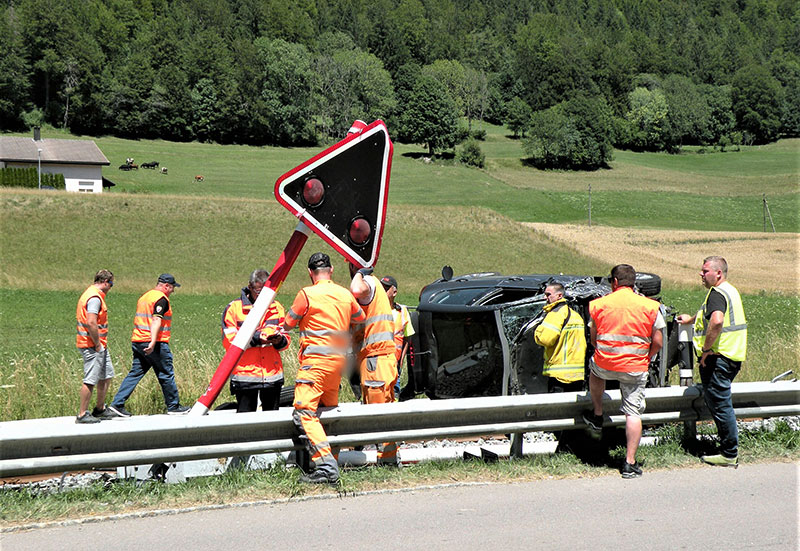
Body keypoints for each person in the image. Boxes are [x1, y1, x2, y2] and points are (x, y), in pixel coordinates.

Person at [281, 253, 366, 484]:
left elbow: (287, 323)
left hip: (315, 365)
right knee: (328, 414)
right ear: (332, 270)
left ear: (310, 272)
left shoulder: (306, 294)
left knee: (304, 413)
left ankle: (326, 467)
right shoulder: (345, 294)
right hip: (337, 365)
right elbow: (360, 316)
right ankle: (332, 460)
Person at [582, 264, 664, 478]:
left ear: (615, 282)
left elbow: (593, 338)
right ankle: (629, 462)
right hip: (635, 367)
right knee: (633, 413)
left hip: (606, 364)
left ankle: (598, 413)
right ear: (633, 282)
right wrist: (646, 357)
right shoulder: (650, 306)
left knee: (595, 371)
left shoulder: (598, 305)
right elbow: (658, 342)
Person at [676, 256, 747, 468]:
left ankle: (729, 453)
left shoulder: (716, 293)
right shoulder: (729, 290)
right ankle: (728, 450)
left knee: (721, 405)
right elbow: (711, 315)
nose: (701, 274)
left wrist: (706, 350)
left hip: (719, 358)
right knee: (721, 403)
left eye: (705, 270)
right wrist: (691, 320)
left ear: (718, 273)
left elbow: (716, 320)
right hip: (730, 355)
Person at [108, 274, 190, 417]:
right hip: (154, 343)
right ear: (165, 286)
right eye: (172, 288)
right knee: (166, 373)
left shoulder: (145, 297)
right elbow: (156, 320)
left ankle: (117, 404)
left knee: (135, 373)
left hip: (138, 340)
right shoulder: (161, 299)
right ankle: (173, 406)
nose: (173, 291)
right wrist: (152, 342)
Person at [351, 264, 399, 466]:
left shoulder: (368, 282)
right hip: (381, 359)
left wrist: (361, 273)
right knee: (385, 412)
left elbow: (356, 290)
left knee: (378, 414)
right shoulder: (377, 292)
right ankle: (388, 460)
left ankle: (386, 463)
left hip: (376, 360)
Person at [222, 269, 290, 412]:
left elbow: (286, 339)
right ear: (250, 286)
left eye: (264, 292)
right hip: (245, 377)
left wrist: (279, 341)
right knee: (245, 422)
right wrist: (257, 339)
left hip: (272, 376)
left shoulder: (276, 308)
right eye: (257, 291)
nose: (260, 296)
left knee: (272, 422)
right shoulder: (234, 309)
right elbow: (229, 342)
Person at [75, 270, 117, 423]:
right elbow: (91, 322)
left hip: (99, 345)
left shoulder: (93, 294)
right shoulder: (94, 297)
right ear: (106, 282)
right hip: (92, 345)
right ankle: (82, 414)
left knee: (106, 375)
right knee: (91, 379)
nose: (111, 287)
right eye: (111, 284)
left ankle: (100, 409)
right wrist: (98, 344)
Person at [534, 282, 587, 393]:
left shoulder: (556, 314)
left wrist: (537, 331)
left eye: (548, 294)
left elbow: (546, 339)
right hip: (577, 374)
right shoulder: (575, 315)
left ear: (559, 296)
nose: (545, 297)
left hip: (559, 375)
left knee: (556, 410)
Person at [379, 275, 415, 398]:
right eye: (381, 287)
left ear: (394, 292)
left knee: (394, 394)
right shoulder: (375, 310)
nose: (382, 291)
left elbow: (407, 338)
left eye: (386, 288)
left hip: (395, 364)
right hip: (378, 363)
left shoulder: (402, 311)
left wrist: (401, 360)